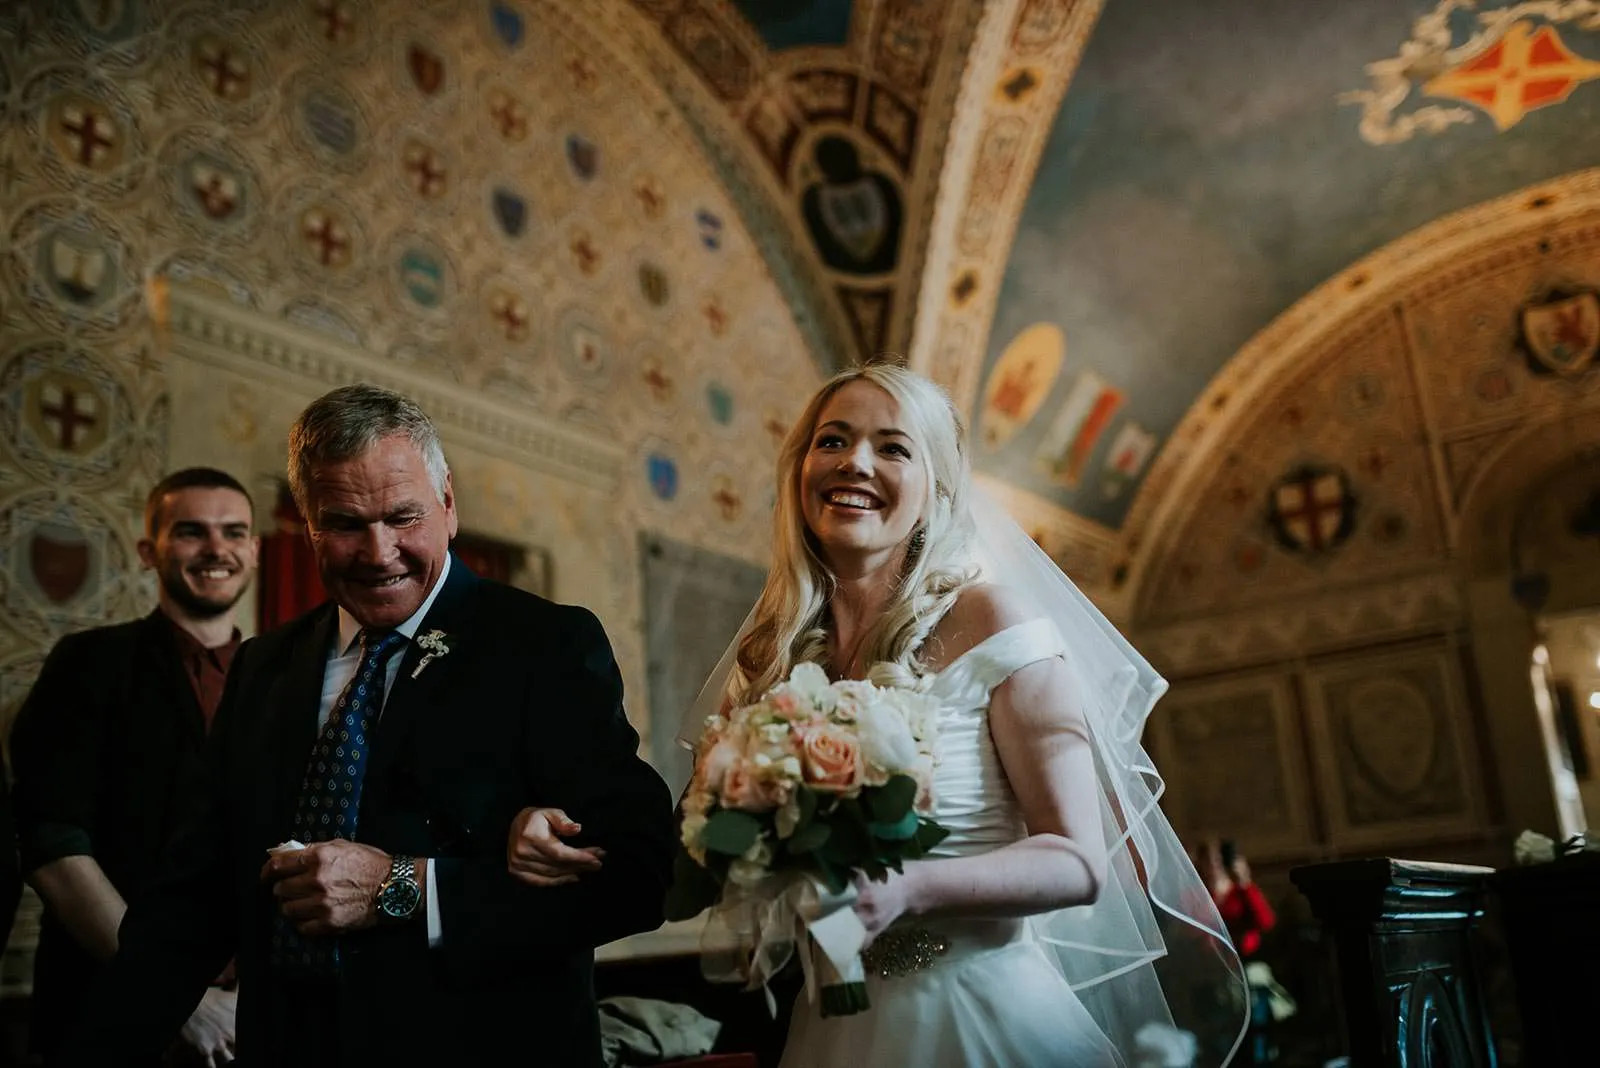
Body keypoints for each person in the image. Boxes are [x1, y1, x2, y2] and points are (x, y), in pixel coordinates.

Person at [512, 364, 1246, 1066]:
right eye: (832, 440)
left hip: (982, 1017)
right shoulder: (770, 663)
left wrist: (911, 890)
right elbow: (693, 865)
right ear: (800, 471)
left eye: (892, 447)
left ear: (935, 491)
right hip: (834, 1031)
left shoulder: (993, 623)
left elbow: (1079, 861)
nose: (854, 463)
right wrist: (566, 841)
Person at [57, 384, 677, 1067]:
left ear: (448, 505)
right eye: (347, 523)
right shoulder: (265, 666)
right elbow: (193, 898)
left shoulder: (543, 644)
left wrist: (405, 889)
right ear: (308, 524)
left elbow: (639, 873)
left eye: (403, 516)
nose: (380, 552)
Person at [10, 467, 259, 1067]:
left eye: (233, 532)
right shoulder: (89, 662)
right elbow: (52, 845)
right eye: (191, 532)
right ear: (150, 551)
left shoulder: (285, 681)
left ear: (254, 550)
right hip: (107, 1011)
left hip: (251, 1024)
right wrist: (171, 998)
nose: (216, 549)